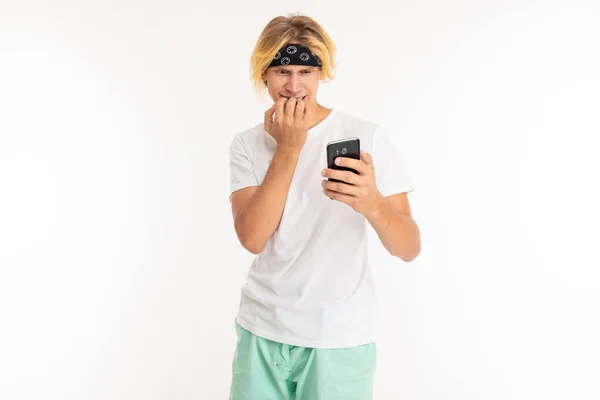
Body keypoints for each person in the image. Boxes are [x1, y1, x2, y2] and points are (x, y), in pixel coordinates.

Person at [227, 13, 421, 400]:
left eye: (305, 71)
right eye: (282, 71)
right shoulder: (247, 144)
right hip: (262, 328)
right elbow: (252, 237)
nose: (294, 85)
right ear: (263, 74)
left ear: (322, 74)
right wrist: (290, 146)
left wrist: (372, 204)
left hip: (338, 337)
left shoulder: (366, 136)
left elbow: (409, 247)